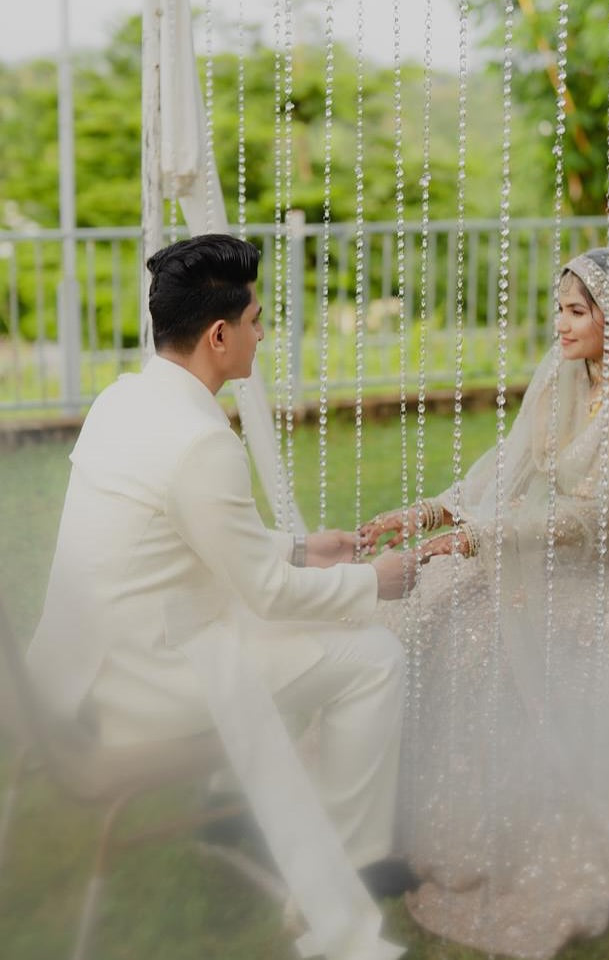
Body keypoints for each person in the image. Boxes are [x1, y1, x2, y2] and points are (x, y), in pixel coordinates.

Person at [361, 247, 609, 959]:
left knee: (478, 612)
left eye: (577, 312)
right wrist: (430, 514)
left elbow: (589, 520)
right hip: (566, 572)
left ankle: (522, 830)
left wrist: (475, 538)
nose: (562, 324)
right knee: (439, 607)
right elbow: (503, 475)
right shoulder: (563, 379)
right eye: (561, 308)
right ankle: (409, 827)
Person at [27, 233, 417, 960]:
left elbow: (180, 535)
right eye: (257, 320)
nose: (262, 334)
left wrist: (303, 547)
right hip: (148, 681)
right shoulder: (200, 441)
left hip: (90, 662)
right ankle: (342, 872)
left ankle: (325, 848)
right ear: (219, 334)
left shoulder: (124, 399)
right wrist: (374, 581)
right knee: (376, 657)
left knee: (337, 647)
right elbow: (267, 595)